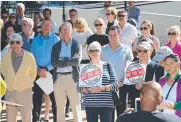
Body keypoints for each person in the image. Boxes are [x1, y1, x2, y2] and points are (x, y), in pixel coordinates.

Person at [77, 41, 118, 122]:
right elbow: (78, 87)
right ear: (88, 53)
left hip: (107, 105)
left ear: (100, 52)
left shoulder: (108, 66)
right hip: (90, 105)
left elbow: (115, 85)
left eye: (96, 50)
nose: (94, 53)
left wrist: (103, 88)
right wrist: (87, 89)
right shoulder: (84, 68)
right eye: (91, 51)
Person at [1, 33, 37, 122]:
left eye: (17, 42)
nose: (15, 45)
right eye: (12, 43)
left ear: (22, 43)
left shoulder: (30, 56)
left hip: (25, 91)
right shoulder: (5, 57)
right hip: (10, 91)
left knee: (27, 118)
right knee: (10, 119)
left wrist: (23, 82)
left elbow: (34, 74)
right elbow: (3, 72)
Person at [51, 22, 82, 122]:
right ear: (60, 32)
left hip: (73, 77)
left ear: (71, 31)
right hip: (58, 78)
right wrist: (68, 60)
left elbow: (76, 61)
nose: (65, 32)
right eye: (63, 30)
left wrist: (62, 60)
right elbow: (54, 63)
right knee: (59, 106)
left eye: (67, 29)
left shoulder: (76, 44)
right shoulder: (55, 46)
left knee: (76, 105)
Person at [101, 25, 134, 120]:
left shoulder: (127, 50)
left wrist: (124, 81)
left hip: (122, 86)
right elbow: (99, 67)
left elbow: (130, 68)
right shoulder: (102, 50)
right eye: (110, 35)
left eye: (114, 35)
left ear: (119, 34)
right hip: (107, 87)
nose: (112, 37)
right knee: (107, 116)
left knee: (121, 115)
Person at [31, 19, 59, 122]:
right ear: (41, 26)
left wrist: (46, 69)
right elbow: (32, 55)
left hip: (50, 72)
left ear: (51, 27)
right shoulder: (36, 39)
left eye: (48, 25)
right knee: (37, 101)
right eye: (44, 25)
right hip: (38, 72)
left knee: (54, 101)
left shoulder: (56, 39)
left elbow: (57, 57)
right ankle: (36, 120)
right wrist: (37, 69)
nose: (46, 26)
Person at [116, 81, 181, 122]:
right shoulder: (175, 120)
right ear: (161, 99)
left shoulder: (123, 119)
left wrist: (125, 115)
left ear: (141, 96)